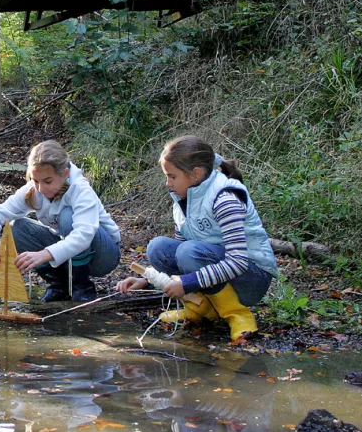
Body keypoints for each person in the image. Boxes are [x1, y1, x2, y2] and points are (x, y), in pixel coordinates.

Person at [116, 135, 278, 341]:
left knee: (188, 252)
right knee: (158, 248)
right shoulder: (182, 199)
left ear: (196, 174)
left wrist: (188, 282)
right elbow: (179, 256)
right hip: (218, 267)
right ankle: (199, 307)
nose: (168, 183)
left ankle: (237, 315)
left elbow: (238, 262)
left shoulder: (225, 198)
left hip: (251, 278)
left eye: (172, 176)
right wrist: (147, 280)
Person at [0, 140, 121, 302]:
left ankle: (82, 287)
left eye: (48, 181)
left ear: (65, 174)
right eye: (35, 180)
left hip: (103, 256)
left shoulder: (80, 189)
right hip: (68, 254)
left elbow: (84, 235)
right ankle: (60, 285)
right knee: (17, 227)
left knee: (67, 216)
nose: (41, 188)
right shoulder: (33, 191)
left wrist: (45, 254)